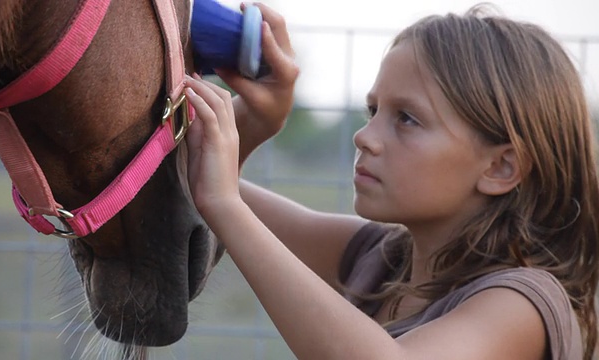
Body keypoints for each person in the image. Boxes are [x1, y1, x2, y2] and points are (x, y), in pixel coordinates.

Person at [183, 2, 599, 359]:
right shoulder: (381, 259)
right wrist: (256, 121)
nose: (365, 137)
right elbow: (197, 181)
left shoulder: (522, 303)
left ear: (500, 168)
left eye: (407, 119)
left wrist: (227, 206)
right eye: (372, 111)